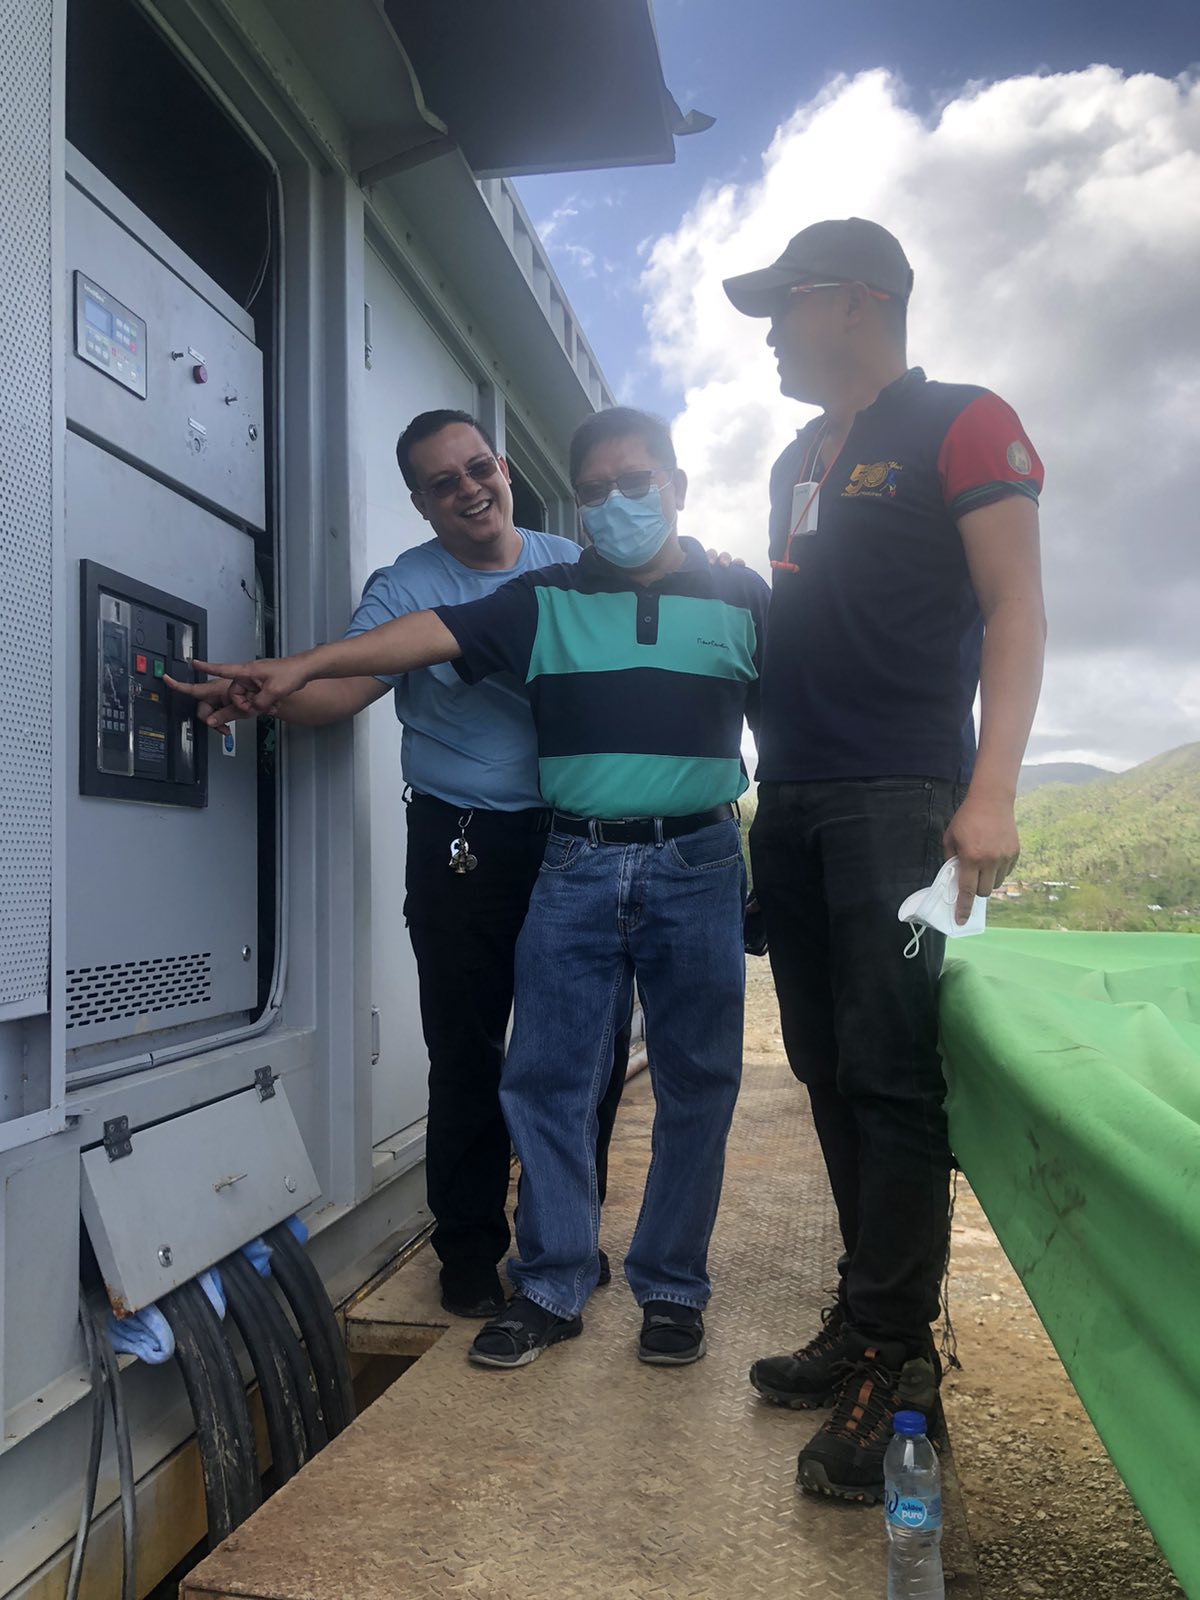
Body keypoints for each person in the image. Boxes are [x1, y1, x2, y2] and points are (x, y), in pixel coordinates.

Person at [173, 406, 770, 1372]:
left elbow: (766, 714)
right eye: (443, 482)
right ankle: (512, 1266)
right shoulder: (479, 592)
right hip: (505, 846)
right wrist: (288, 678)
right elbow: (394, 656)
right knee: (503, 1060)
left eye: (479, 467)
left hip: (634, 847)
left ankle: (631, 1270)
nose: (469, 488)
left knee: (638, 1072)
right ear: (422, 501)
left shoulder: (655, 580)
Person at [722, 219, 1046, 1500]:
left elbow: (1016, 603)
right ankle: (870, 1317)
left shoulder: (964, 420)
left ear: (856, 301)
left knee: (896, 1074)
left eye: (783, 304)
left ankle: (901, 1362)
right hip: (791, 798)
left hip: (903, 796)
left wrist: (994, 789)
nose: (767, 331)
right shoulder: (798, 454)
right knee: (826, 1065)